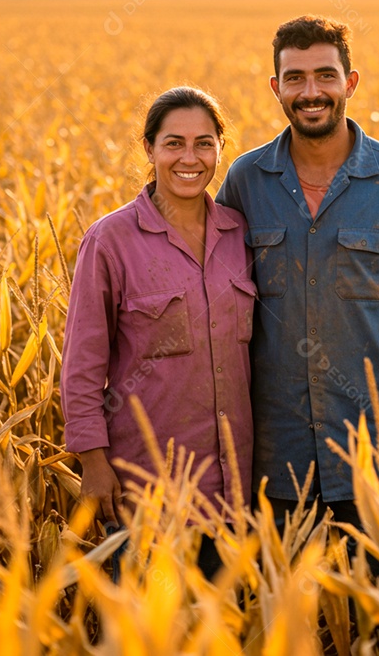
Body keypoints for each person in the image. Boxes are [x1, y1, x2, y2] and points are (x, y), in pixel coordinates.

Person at [215, 15, 379, 536]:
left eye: (325, 76)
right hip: (274, 461)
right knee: (282, 615)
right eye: (296, 78)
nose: (311, 92)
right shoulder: (245, 180)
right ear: (276, 87)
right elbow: (212, 301)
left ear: (350, 82)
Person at [60, 86, 255, 579]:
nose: (189, 158)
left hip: (234, 490)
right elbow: (82, 366)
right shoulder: (110, 240)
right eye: (174, 144)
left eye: (204, 144)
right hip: (146, 489)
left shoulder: (239, 233)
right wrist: (93, 464)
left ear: (220, 149)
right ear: (149, 149)